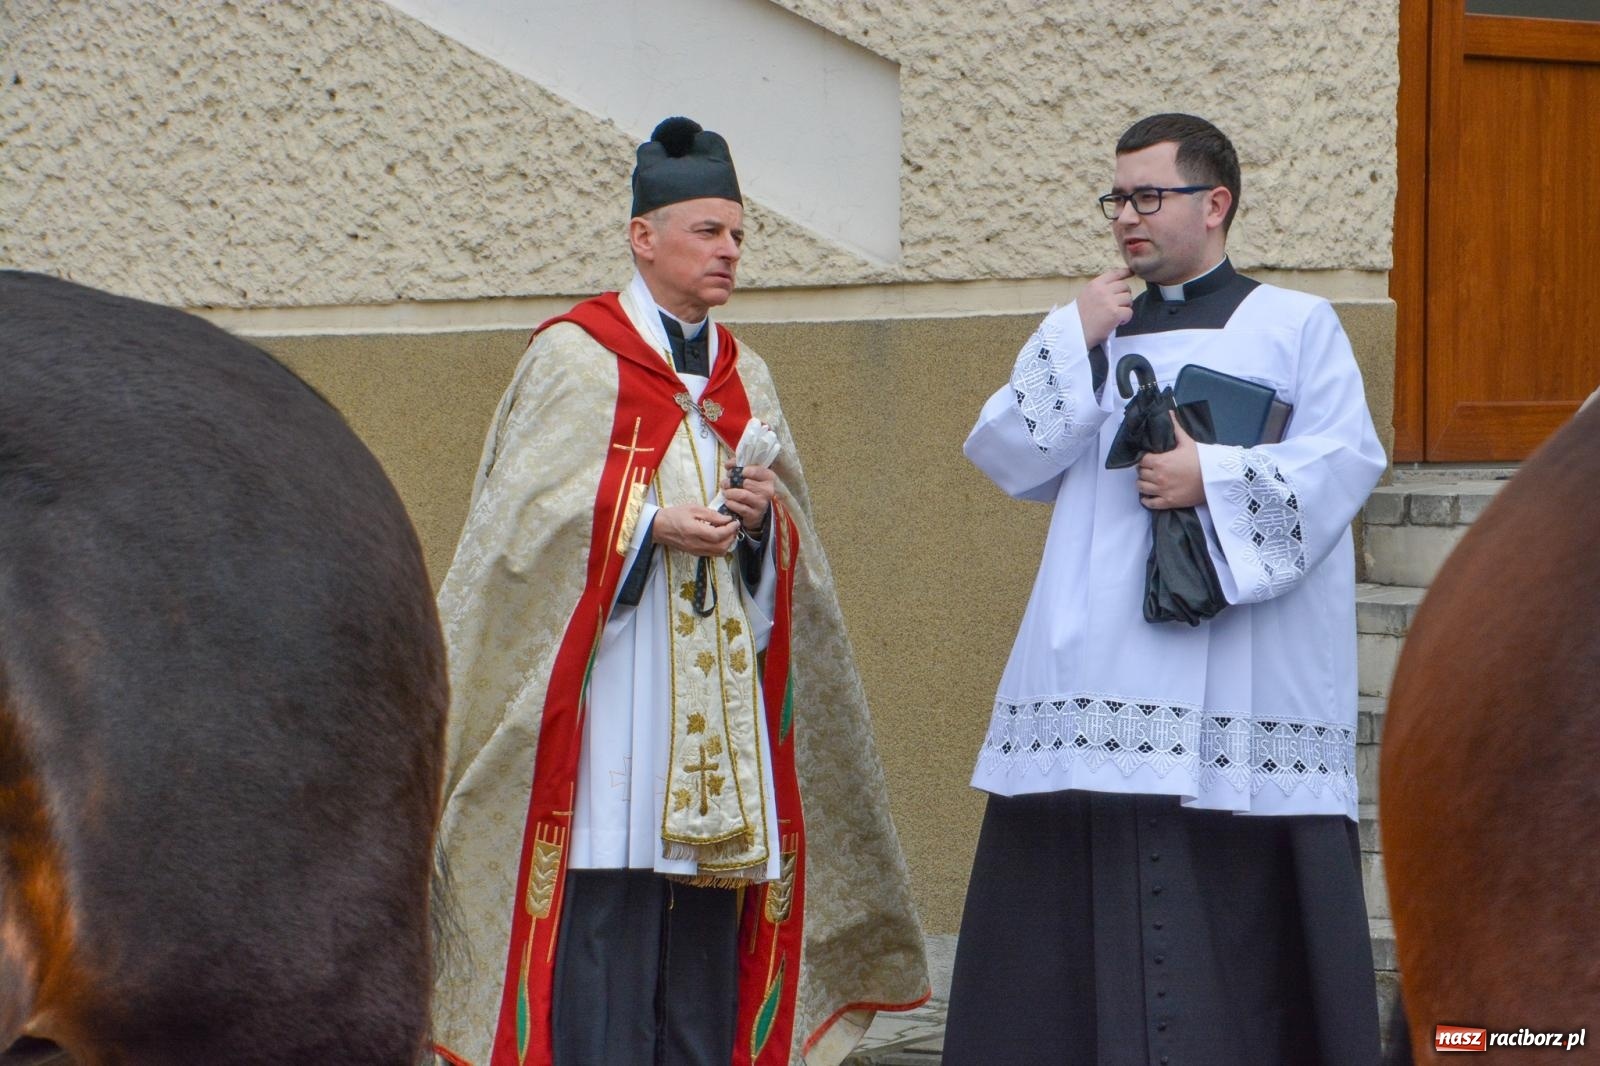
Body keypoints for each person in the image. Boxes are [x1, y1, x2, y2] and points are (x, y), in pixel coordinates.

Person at [429, 117, 926, 1066]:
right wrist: (647, 527)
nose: (730, 251)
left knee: (704, 934)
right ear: (642, 236)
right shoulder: (574, 357)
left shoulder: (749, 376)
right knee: (607, 915)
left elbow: (794, 561)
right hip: (612, 700)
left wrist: (757, 525)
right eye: (707, 231)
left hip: (719, 721)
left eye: (739, 234)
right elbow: (516, 534)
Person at [945, 113, 1387, 1065]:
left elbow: (1346, 462)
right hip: (1096, 669)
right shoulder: (1094, 327)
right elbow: (1006, 454)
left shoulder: (1297, 323)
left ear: (1215, 203)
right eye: (1118, 199)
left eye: (1150, 196)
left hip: (1239, 674)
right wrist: (1073, 334)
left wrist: (1211, 479)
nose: (1126, 219)